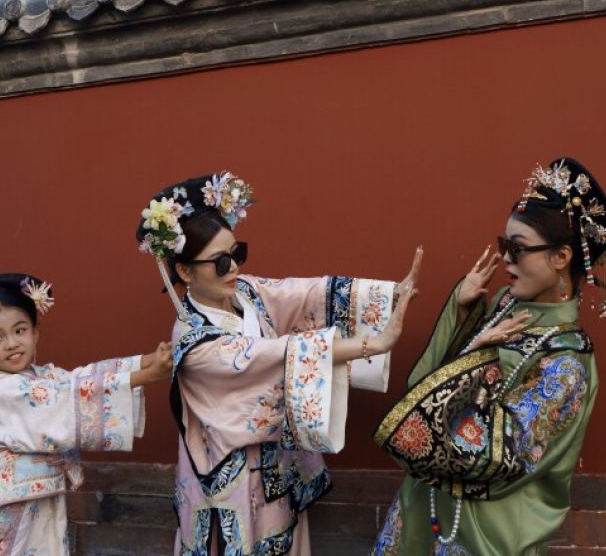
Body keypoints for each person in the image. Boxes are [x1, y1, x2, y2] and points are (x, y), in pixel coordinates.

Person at [136, 170, 422, 555]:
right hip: (233, 486)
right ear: (185, 271)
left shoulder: (246, 292)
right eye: (220, 263)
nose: (234, 268)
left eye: (237, 254)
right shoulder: (195, 345)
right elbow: (281, 355)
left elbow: (305, 294)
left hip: (278, 472)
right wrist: (373, 342)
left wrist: (386, 296)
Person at [373, 157, 606, 556]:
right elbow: (423, 389)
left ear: (561, 258)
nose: (506, 258)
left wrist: (477, 355)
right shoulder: (507, 305)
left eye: (518, 249)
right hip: (427, 504)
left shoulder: (567, 364)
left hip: (482, 530)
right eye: (504, 245)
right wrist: (460, 310)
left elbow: (497, 456)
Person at [0, 272, 173, 556]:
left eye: (20, 330)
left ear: (36, 332)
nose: (12, 343)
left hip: (35, 509)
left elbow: (83, 379)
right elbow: (64, 399)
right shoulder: (0, 391)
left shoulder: (43, 377)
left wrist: (147, 361)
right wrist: (147, 376)